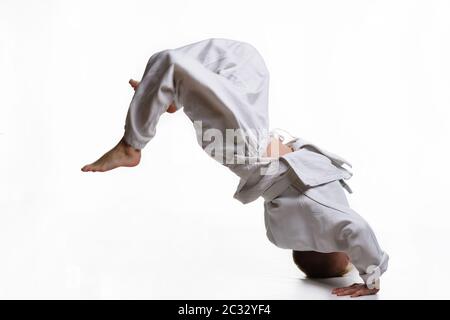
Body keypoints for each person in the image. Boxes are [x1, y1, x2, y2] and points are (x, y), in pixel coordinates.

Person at [81, 38, 388, 297]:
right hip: (258, 131)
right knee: (245, 58)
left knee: (170, 62)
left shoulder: (319, 216)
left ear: (317, 242)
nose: (349, 252)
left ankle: (131, 145)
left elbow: (355, 231)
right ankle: (165, 92)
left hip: (245, 149)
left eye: (345, 257)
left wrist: (370, 279)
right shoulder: (322, 217)